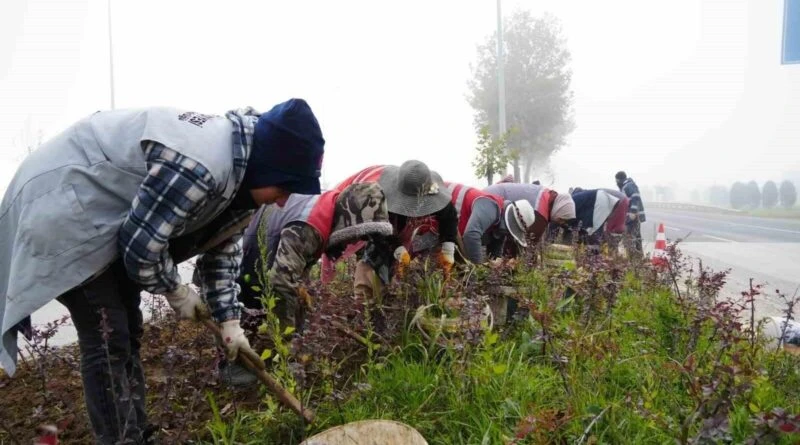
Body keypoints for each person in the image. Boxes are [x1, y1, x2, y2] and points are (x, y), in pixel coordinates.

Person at [0, 99, 325, 444]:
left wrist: (230, 323)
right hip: (63, 206)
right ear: (269, 166)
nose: (281, 202)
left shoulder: (242, 182)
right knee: (108, 333)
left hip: (105, 219)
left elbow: (222, 251)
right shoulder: (202, 165)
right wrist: (177, 290)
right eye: (285, 188)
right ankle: (121, 439)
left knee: (128, 327)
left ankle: (137, 433)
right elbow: (141, 250)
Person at [333, 161, 458, 299]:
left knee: (423, 285)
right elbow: (377, 230)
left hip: (421, 245)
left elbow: (450, 219)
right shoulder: (381, 201)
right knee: (369, 273)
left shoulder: (437, 197)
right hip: (389, 241)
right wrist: (398, 250)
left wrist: (448, 249)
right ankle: (367, 304)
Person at [441, 180, 537, 263]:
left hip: (447, 219)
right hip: (439, 199)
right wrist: (478, 268)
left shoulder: (500, 223)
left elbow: (495, 250)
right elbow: (471, 235)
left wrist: (496, 265)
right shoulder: (490, 207)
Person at [483, 182, 576, 245]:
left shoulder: (546, 194)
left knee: (496, 242)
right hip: (491, 201)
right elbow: (527, 243)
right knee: (478, 238)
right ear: (558, 209)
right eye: (561, 219)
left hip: (490, 193)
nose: (561, 223)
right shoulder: (541, 213)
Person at [615, 171, 646, 256]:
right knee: (636, 237)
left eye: (616, 181)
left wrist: (632, 212)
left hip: (633, 216)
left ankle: (633, 257)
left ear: (618, 180)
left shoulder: (629, 185)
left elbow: (635, 197)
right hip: (632, 216)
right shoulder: (626, 186)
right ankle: (638, 257)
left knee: (630, 237)